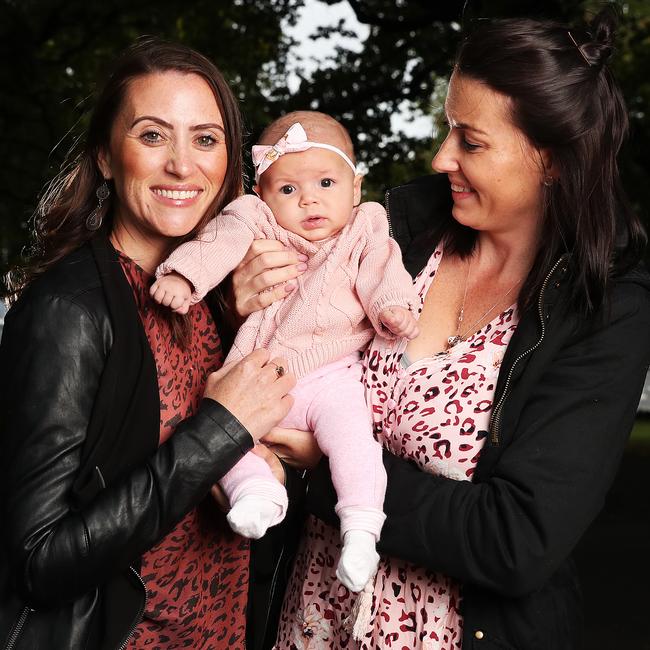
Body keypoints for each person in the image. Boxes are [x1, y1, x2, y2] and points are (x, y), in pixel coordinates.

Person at [231, 8, 650, 650]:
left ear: (554, 160)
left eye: (471, 141)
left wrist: (326, 471)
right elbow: (277, 332)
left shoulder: (608, 305)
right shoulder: (396, 230)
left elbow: (518, 539)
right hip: (313, 619)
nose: (440, 156)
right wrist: (244, 295)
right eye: (447, 128)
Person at [0, 38, 299, 650]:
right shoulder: (67, 311)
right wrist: (220, 430)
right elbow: (37, 561)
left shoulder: (216, 301)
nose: (183, 167)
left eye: (206, 139)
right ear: (107, 157)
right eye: (154, 136)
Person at [150, 111, 419, 595]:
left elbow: (384, 269)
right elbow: (221, 241)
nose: (309, 199)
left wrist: (393, 306)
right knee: (224, 432)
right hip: (261, 370)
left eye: (325, 182)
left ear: (356, 189)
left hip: (333, 374)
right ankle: (255, 493)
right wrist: (185, 275)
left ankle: (361, 529)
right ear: (263, 196)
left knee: (353, 440)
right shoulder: (256, 220)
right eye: (288, 190)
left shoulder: (365, 226)